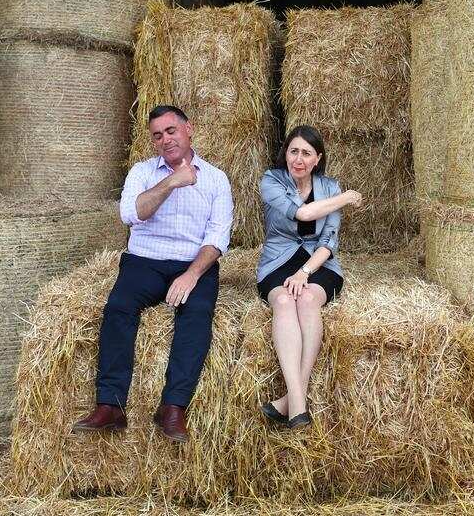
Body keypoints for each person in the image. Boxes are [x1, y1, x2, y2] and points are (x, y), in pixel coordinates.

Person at [73, 105, 233, 443]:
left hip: (194, 263)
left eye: (171, 131)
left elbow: (218, 237)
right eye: (157, 135)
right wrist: (172, 181)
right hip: (145, 260)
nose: (165, 139)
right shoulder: (143, 172)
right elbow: (131, 214)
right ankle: (111, 406)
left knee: (196, 316)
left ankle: (173, 407)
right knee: (118, 308)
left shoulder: (216, 179)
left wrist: (191, 276)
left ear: (188, 129)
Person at [256, 125, 363, 429]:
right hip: (278, 260)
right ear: (285, 153)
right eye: (293, 151)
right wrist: (345, 198)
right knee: (284, 301)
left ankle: (292, 402)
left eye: (306, 153)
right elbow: (302, 213)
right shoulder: (271, 181)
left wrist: (305, 272)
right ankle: (299, 401)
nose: (298, 159)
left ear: (318, 159)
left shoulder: (330, 187)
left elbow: (329, 240)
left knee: (306, 299)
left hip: (319, 263)